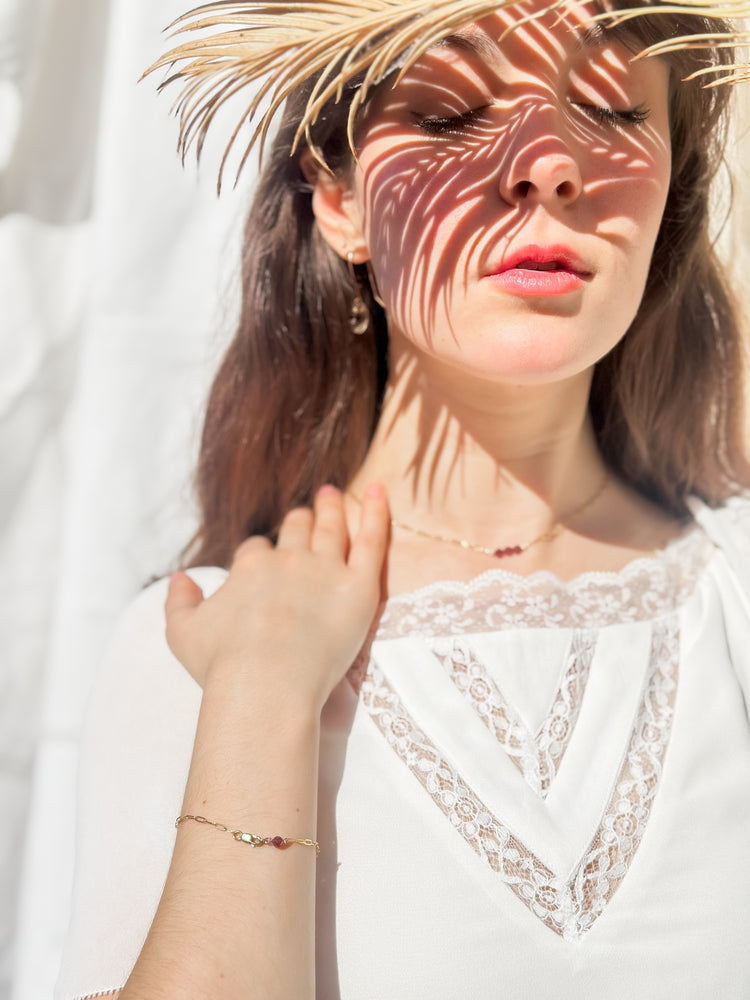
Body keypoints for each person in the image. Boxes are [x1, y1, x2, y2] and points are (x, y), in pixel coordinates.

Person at [55, 0, 750, 997]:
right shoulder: (198, 647)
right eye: (452, 112)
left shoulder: (734, 600)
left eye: (607, 104)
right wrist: (260, 704)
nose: (547, 162)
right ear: (337, 199)